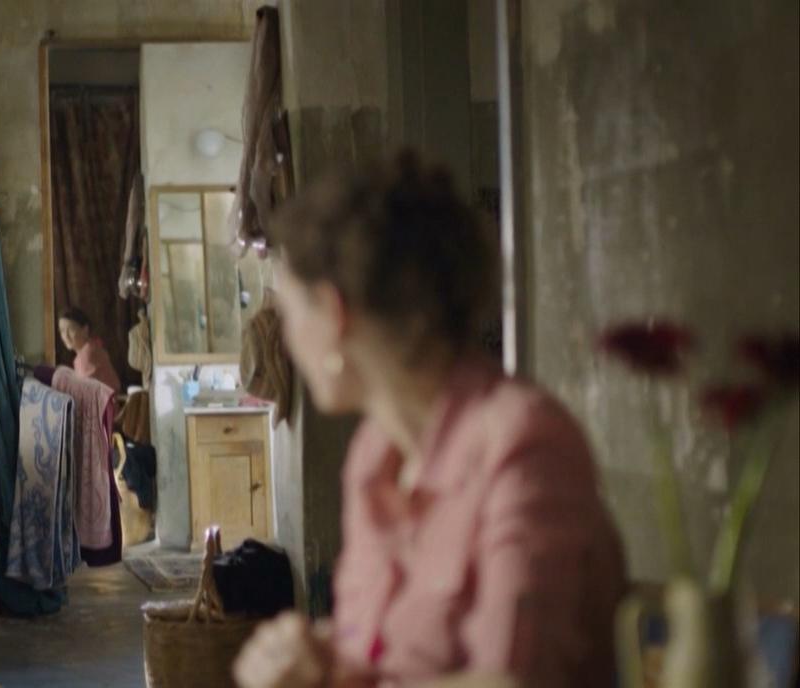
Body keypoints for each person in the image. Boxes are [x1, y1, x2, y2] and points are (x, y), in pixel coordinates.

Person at [233, 152, 626, 688]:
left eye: (289, 313)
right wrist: (319, 656)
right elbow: (379, 653)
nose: (286, 337)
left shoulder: (524, 441)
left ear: (333, 312)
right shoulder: (375, 455)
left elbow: (512, 681)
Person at [58, 306, 122, 392]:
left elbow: (84, 393)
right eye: (62, 331)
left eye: (71, 329)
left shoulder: (87, 354)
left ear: (85, 330)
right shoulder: (92, 346)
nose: (66, 336)